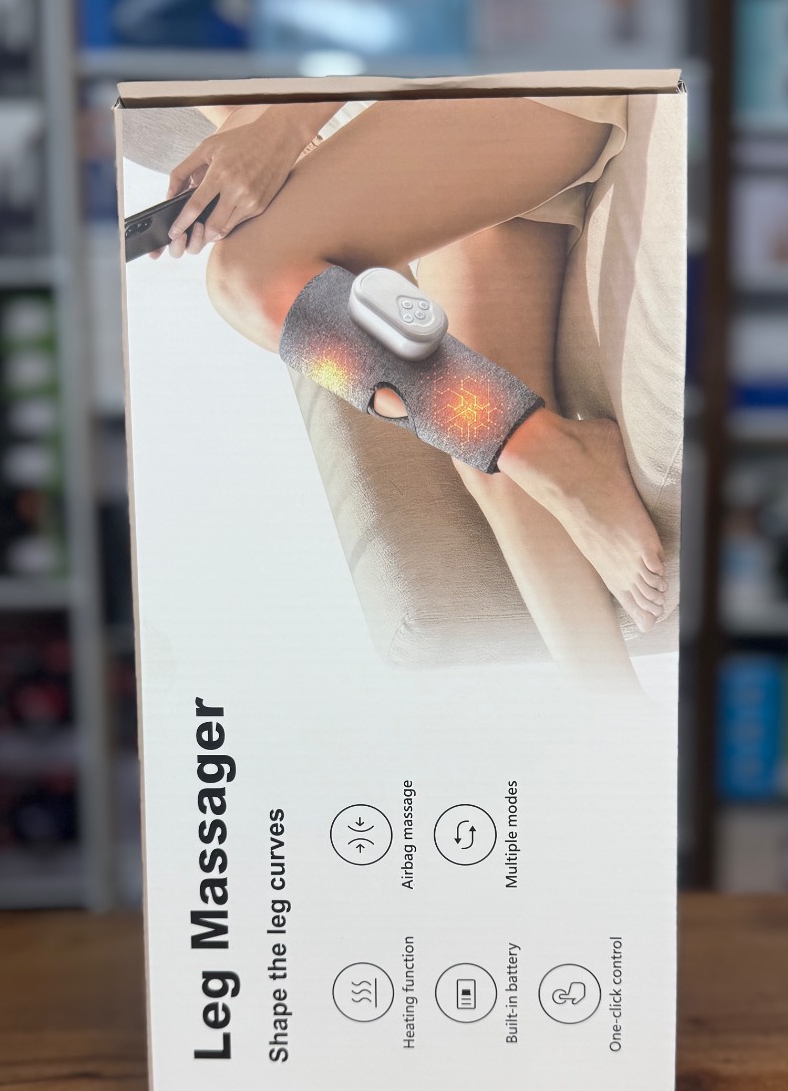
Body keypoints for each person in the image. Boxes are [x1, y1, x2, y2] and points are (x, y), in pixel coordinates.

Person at [151, 97, 668, 690]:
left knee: (246, 277)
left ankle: (560, 455)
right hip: (421, 144)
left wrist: (281, 128)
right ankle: (613, 712)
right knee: (485, 437)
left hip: (499, 84)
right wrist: (262, 163)